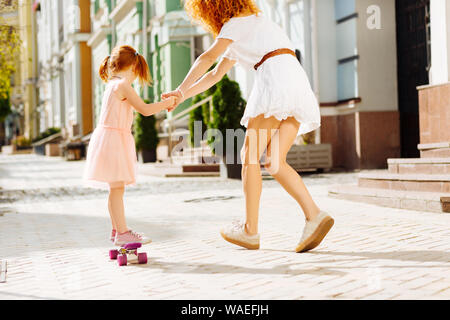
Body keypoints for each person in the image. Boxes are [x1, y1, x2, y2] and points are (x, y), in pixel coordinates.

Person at [163, 0, 334, 253]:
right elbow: (214, 75)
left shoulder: (234, 24)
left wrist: (179, 88)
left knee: (248, 156)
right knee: (274, 161)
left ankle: (249, 230)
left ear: (211, 8)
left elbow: (207, 57)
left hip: (275, 79)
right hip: (295, 80)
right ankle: (314, 215)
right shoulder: (255, 24)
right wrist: (182, 95)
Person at [84, 45, 176, 246]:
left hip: (108, 137)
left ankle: (117, 230)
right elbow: (144, 109)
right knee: (117, 189)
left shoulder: (111, 84)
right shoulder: (123, 85)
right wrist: (167, 104)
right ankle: (123, 232)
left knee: (114, 188)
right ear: (133, 66)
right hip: (114, 139)